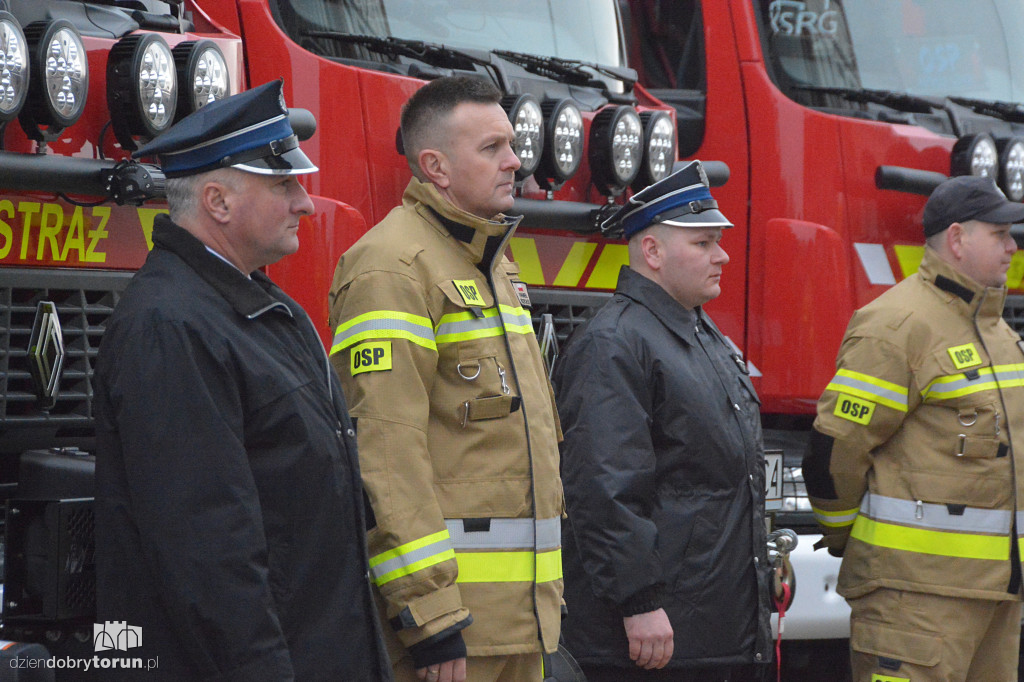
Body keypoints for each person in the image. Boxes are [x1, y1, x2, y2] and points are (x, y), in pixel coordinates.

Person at [93, 80, 390, 681]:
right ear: (218, 202)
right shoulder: (170, 326)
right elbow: (209, 555)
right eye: (284, 184)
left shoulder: (259, 309)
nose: (306, 203)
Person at [326, 75, 564, 682]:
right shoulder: (392, 268)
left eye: (511, 144)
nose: (516, 161)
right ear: (435, 165)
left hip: (518, 627)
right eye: (492, 149)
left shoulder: (491, 262)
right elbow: (385, 458)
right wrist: (430, 620)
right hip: (451, 636)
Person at [553, 161, 773, 682]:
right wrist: (639, 602)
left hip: (710, 633)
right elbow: (604, 489)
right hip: (656, 641)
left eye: (716, 242)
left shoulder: (698, 332)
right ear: (651, 252)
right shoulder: (615, 342)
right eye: (701, 244)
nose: (721, 255)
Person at [803, 174, 1024, 681]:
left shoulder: (996, 329)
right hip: (914, 602)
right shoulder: (898, 325)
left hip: (994, 599)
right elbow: (834, 449)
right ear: (957, 238)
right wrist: (843, 537)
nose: (1013, 246)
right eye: (1000, 233)